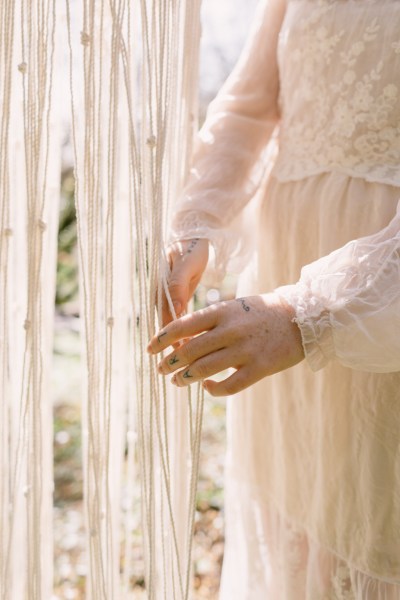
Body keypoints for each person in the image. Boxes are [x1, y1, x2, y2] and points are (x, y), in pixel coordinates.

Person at [147, 0, 400, 597]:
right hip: (279, 276)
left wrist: (309, 314)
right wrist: (200, 222)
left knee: (376, 518)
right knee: (300, 513)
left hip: (376, 307)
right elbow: (251, 103)